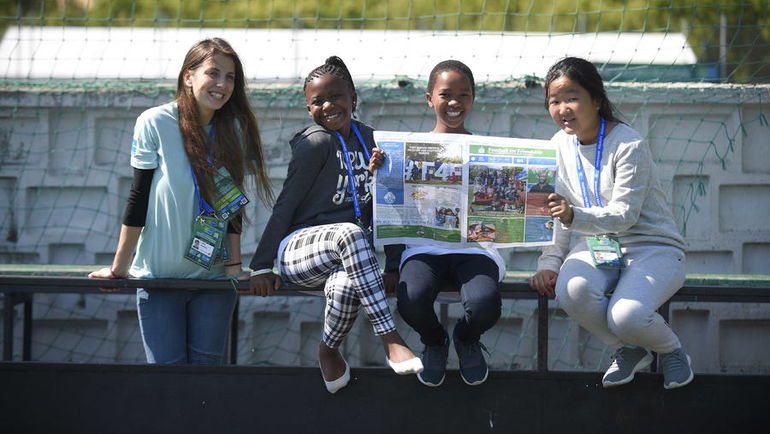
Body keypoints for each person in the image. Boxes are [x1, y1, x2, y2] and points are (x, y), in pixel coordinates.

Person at [88, 38, 274, 365]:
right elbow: (138, 197)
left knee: (206, 379)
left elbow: (231, 206)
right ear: (188, 76)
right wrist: (119, 270)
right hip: (159, 279)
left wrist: (233, 268)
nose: (222, 84)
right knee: (167, 377)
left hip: (214, 281)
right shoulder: (155, 121)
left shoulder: (234, 128)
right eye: (213, 73)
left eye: (230, 77)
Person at [248, 56, 422, 394]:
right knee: (350, 233)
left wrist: (394, 264)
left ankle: (328, 349)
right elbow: (286, 204)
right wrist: (260, 265)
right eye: (317, 101)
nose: (328, 106)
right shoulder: (315, 144)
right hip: (299, 251)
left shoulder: (372, 140)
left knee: (345, 286)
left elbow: (390, 207)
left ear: (353, 98)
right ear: (308, 107)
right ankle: (390, 336)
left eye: (337, 97)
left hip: (347, 257)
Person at [529, 57, 693, 389]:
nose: (563, 108)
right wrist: (549, 262)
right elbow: (555, 211)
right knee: (571, 289)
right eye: (554, 101)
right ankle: (629, 349)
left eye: (572, 97)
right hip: (600, 246)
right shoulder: (558, 145)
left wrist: (573, 214)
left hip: (653, 247)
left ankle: (672, 351)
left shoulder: (628, 143)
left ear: (597, 100)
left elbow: (624, 215)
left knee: (627, 315)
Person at [382, 60, 504, 387]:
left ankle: (466, 338)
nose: (454, 102)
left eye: (463, 95)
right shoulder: (407, 150)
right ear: (428, 98)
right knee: (411, 298)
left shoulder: (489, 152)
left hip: (475, 248)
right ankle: (435, 341)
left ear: (473, 99)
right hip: (425, 249)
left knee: (484, 305)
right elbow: (394, 211)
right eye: (445, 94)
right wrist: (393, 264)